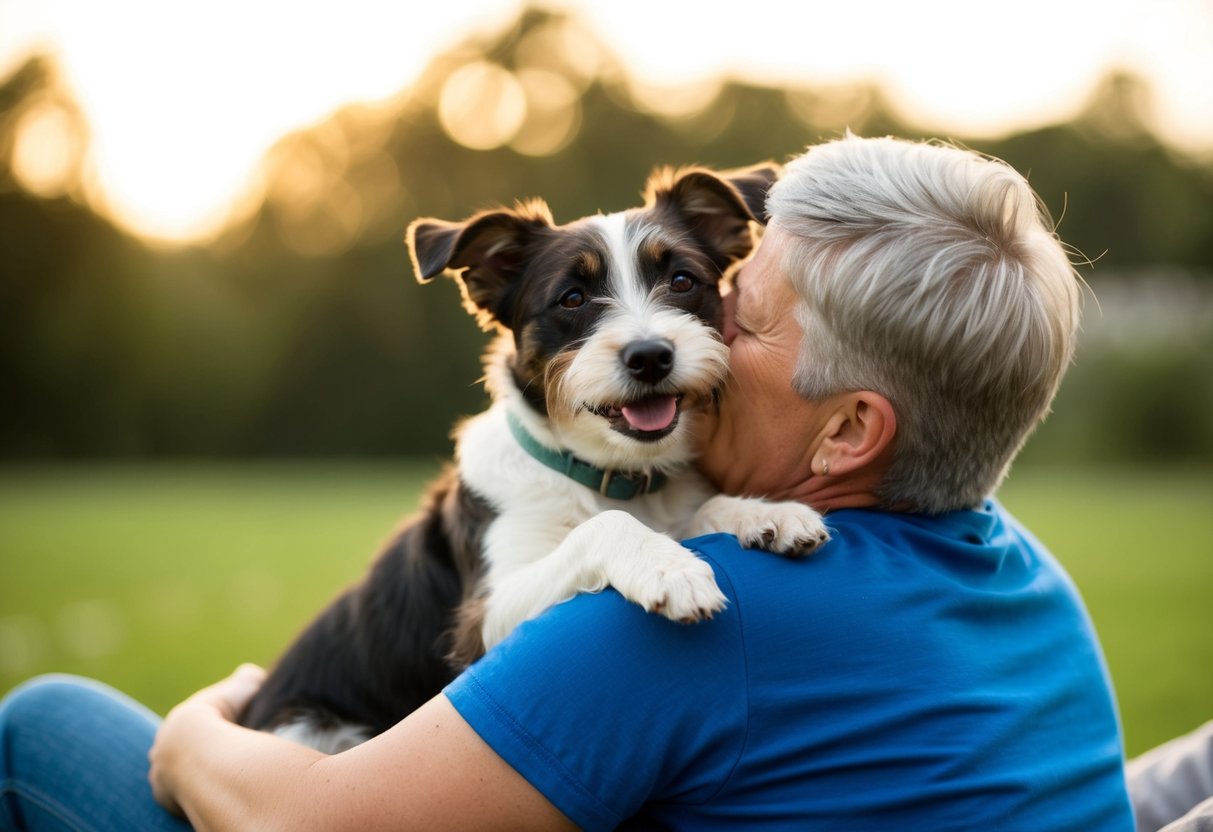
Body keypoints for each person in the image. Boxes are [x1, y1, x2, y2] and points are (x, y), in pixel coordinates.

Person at [0, 134, 1151, 829]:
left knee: (45, 719)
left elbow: (310, 821)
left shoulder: (682, 620)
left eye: (729, 312)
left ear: (850, 427)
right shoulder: (1033, 586)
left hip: (307, 776)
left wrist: (194, 737)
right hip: (360, 716)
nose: (671, 340)